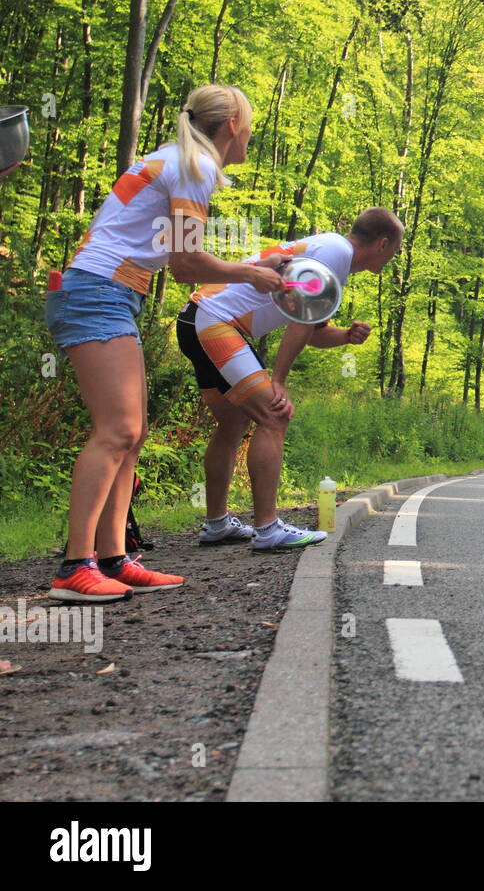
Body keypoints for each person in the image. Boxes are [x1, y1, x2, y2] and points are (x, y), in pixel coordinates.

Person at [44, 84, 284, 603]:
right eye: (249, 128)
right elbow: (186, 266)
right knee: (117, 431)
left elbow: (184, 254)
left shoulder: (179, 161)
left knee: (132, 431)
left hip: (108, 292)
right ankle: (74, 566)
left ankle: (113, 558)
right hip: (97, 292)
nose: (249, 139)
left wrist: (251, 268)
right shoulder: (193, 166)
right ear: (231, 129)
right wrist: (250, 273)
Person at [177, 208, 403, 551]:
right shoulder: (336, 252)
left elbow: (311, 331)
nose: (390, 260)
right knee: (275, 414)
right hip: (216, 321)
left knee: (234, 423)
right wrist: (278, 380)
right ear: (383, 243)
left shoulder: (329, 254)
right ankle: (267, 529)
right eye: (394, 252)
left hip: (197, 321)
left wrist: (345, 336)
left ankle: (217, 523)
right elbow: (300, 322)